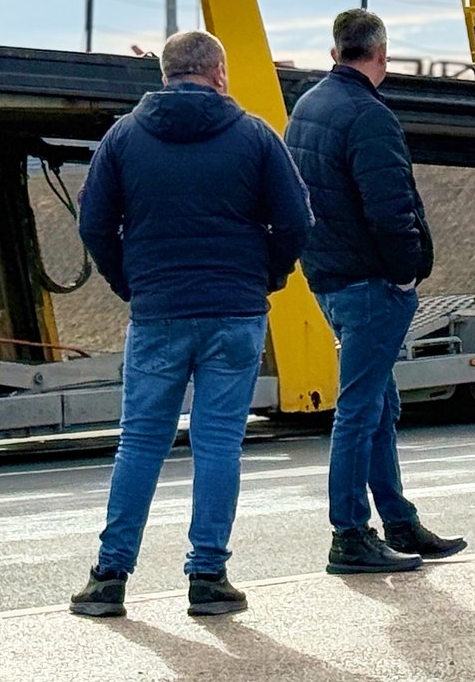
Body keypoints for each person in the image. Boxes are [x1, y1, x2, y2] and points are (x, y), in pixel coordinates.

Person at [72, 31, 313, 617]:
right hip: (233, 313)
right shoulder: (255, 135)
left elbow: (94, 225)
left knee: (140, 443)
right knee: (217, 443)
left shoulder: (124, 138)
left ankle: (109, 579)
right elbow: (298, 223)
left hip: (158, 313)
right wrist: (265, 277)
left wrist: (132, 283)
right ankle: (208, 577)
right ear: (219, 73)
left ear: (165, 74)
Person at [285, 9, 465, 575]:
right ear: (380, 55)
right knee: (361, 409)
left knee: (379, 403)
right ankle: (349, 534)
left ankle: (399, 520)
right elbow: (390, 209)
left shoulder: (307, 108)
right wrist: (407, 271)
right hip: (371, 282)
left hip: (330, 279)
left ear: (335, 49)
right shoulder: (368, 115)